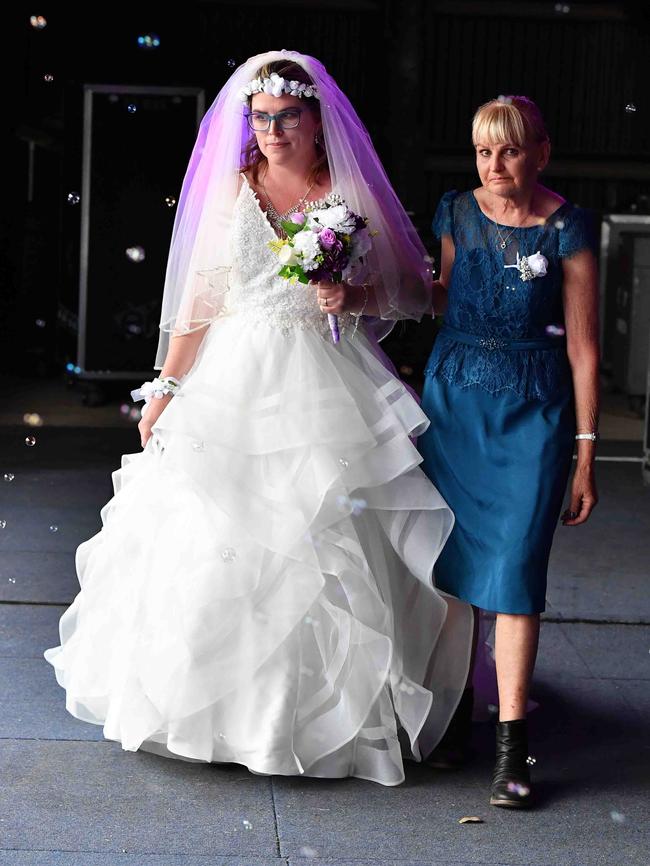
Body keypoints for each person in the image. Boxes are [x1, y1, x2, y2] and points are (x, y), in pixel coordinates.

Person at [43, 50, 474, 787]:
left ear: (315, 120)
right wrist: (168, 386)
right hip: (237, 374)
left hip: (323, 373)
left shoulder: (346, 191)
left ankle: (321, 718)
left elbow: (411, 291)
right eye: (261, 118)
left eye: (287, 117)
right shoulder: (233, 190)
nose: (272, 130)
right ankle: (215, 712)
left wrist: (354, 298)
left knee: (331, 536)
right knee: (218, 535)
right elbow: (203, 301)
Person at [418, 95, 600, 807]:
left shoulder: (568, 229)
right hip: (454, 404)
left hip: (535, 412)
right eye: (483, 152)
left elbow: (584, 350)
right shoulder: (456, 213)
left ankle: (512, 746)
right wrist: (365, 282)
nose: (495, 166)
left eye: (511, 151)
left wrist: (587, 451)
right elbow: (443, 294)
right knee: (458, 568)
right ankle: (459, 718)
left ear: (541, 154)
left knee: (517, 573)